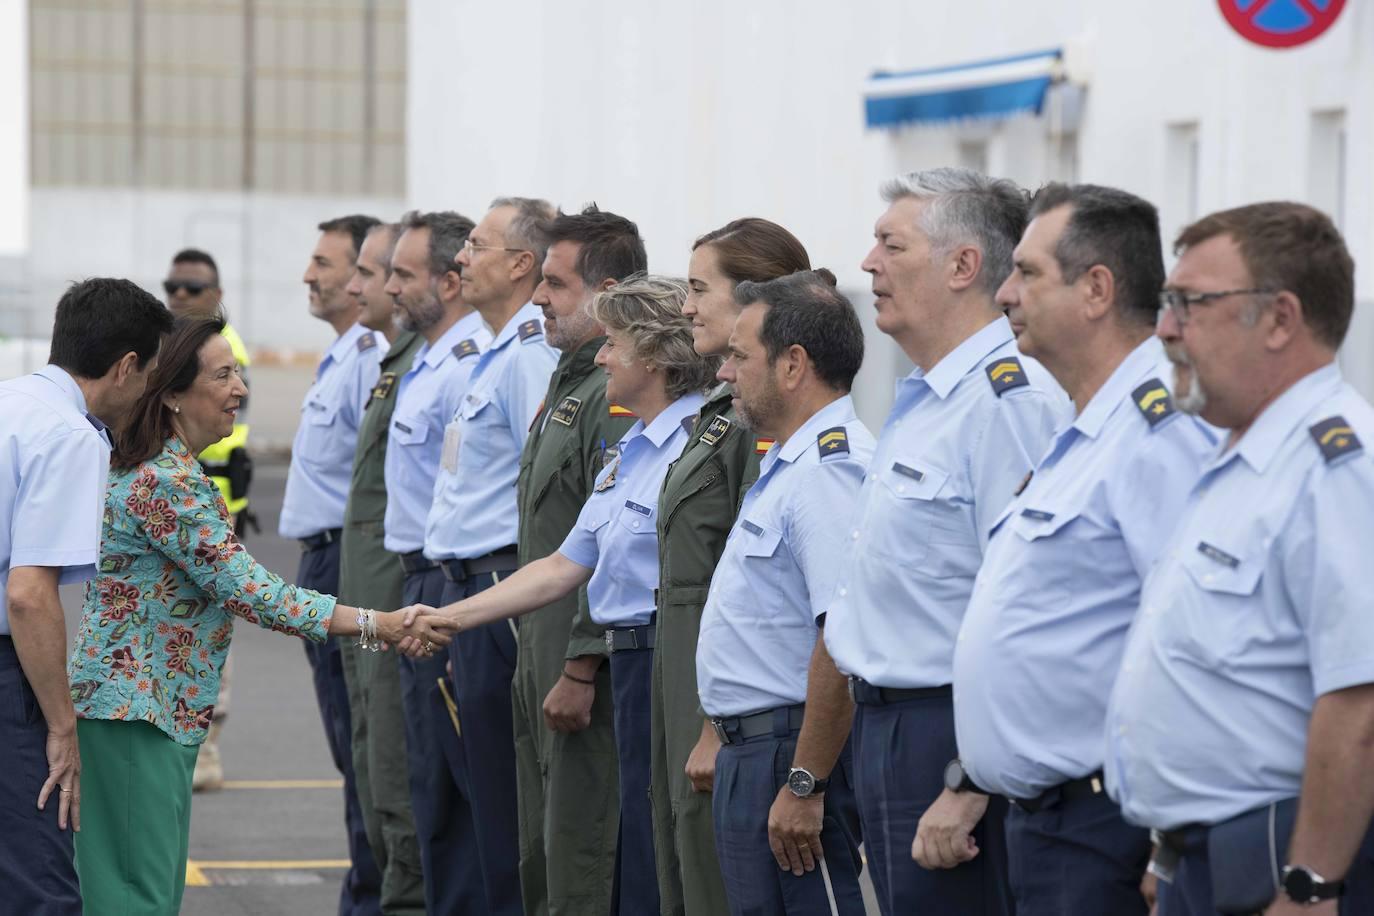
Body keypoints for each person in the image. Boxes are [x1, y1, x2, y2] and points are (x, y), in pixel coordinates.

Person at [65, 316, 451, 915]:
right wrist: (382, 624)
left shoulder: (167, 471)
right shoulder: (165, 482)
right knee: (134, 899)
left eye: (239, 372)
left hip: (145, 710)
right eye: (223, 375)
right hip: (134, 712)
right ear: (170, 394)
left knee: (138, 893)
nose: (240, 389)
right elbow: (255, 592)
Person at [407, 275, 717, 915]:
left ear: (655, 356)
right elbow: (560, 565)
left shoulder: (703, 446)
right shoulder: (633, 449)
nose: (601, 356)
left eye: (615, 344)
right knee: (635, 850)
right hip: (632, 667)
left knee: (671, 858)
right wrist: (447, 617)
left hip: (673, 666)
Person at [949, 184, 1216, 915]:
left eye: (1028, 273)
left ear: (1096, 288)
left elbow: (1187, 640)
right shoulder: (1088, 427)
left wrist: (1173, 842)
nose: (1004, 292)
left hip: (1106, 827)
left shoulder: (1157, 431)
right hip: (1046, 821)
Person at [1107, 202, 1374, 915]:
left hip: (1279, 855)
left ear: (1281, 319)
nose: (1165, 329)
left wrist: (1312, 886)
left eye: (1190, 304)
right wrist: (1169, 854)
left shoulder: (1335, 465)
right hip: (1206, 857)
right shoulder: (1242, 456)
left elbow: (1360, 700)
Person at [820, 167, 1069, 916]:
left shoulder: (1007, 402)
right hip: (887, 729)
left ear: (963, 266)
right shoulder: (929, 396)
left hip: (951, 734)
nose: (867, 265)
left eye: (891, 244)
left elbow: (1032, 605)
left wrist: (971, 778)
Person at [695, 270, 872, 916]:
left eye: (739, 357)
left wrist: (806, 779)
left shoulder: (829, 472)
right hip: (756, 752)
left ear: (793, 364)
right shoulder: (789, 466)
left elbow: (841, 635)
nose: (723, 373)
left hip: (789, 755)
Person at [652, 218, 815, 916]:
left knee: (719, 880)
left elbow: (768, 595)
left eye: (698, 288)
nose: (686, 306)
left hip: (740, 705)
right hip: (697, 674)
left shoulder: (768, 419)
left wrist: (715, 724)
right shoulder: (725, 408)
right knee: (684, 866)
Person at [0, 278, 171, 916]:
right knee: (38, 885)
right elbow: (27, 595)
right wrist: (61, 726)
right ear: (125, 367)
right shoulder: (71, 434)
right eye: (150, 373)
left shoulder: (10, 400)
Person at [424, 196, 559, 916]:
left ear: (520, 264)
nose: (461, 259)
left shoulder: (530, 353)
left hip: (504, 583)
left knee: (509, 804)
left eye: (476, 245)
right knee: (474, 793)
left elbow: (551, 487)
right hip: (470, 588)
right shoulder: (495, 350)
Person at [514, 205, 646, 915]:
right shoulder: (568, 381)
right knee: (541, 847)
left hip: (577, 664)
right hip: (539, 651)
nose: (539, 297)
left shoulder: (612, 397)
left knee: (582, 856)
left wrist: (582, 661)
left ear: (608, 293)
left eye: (556, 285)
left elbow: (620, 537)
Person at [380, 209, 491, 915]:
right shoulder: (424, 359)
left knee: (462, 789)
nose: (390, 288)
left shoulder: (468, 365)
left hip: (452, 577)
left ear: (451, 282)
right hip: (419, 574)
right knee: (429, 784)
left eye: (403, 273)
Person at [281, 213, 386, 915]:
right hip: (323, 558)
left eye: (324, 263)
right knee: (353, 748)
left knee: (365, 749)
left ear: (357, 279)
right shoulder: (342, 356)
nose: (309, 276)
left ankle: (371, 898)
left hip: (346, 560)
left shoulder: (367, 358)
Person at [338, 221, 428, 914]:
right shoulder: (400, 361)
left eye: (385, 271)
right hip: (365, 577)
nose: (369, 285)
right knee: (369, 752)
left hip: (398, 584)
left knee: (395, 769)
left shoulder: (434, 363)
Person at [164, 247, 253, 791]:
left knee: (213, 624)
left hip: (211, 507)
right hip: (175, 504)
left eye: (193, 288)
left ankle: (207, 746)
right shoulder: (167, 348)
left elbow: (229, 435)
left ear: (216, 295)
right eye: (173, 285)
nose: (180, 294)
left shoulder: (223, 349)